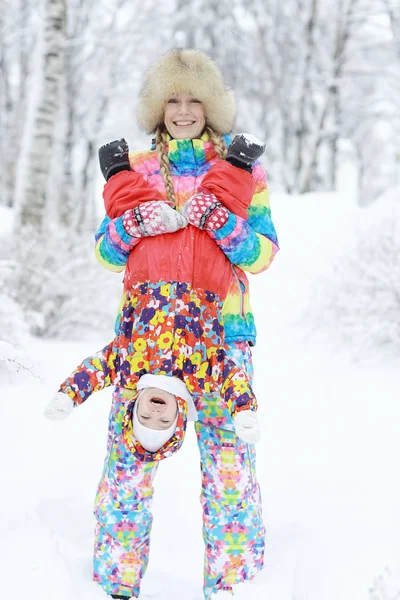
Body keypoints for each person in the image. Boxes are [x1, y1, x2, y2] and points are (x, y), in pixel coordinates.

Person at [45, 49, 279, 600]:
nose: (182, 110)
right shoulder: (139, 167)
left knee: (230, 475)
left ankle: (234, 588)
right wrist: (133, 223)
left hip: (224, 336)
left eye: (194, 98)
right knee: (129, 466)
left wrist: (224, 224)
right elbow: (105, 253)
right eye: (172, 98)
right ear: (157, 105)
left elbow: (263, 255)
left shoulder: (247, 172)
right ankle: (114, 586)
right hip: (145, 339)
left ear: (212, 106)